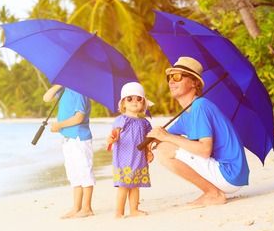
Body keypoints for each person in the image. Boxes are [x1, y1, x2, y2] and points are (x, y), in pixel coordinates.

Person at [147, 57, 250, 207]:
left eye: (177, 77)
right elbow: (162, 137)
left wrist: (166, 137)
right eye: (170, 77)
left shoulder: (200, 106)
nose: (171, 81)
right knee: (163, 145)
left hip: (229, 173)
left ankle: (213, 194)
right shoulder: (188, 113)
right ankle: (212, 192)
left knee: (164, 151)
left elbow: (204, 150)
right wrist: (149, 145)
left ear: (194, 82)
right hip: (229, 174)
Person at [43, 84, 95, 219]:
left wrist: (59, 125)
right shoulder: (65, 89)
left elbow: (79, 117)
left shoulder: (81, 91)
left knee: (84, 172)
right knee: (74, 174)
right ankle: (76, 208)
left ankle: (87, 207)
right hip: (68, 139)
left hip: (79, 139)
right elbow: (47, 98)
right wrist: (59, 84)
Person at [106, 82, 154, 218]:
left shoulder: (145, 122)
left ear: (143, 103)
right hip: (123, 158)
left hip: (139, 158)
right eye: (130, 99)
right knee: (124, 185)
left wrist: (149, 151)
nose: (134, 101)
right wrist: (111, 139)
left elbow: (148, 140)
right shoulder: (121, 119)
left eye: (139, 99)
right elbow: (114, 135)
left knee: (135, 185)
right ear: (123, 103)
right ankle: (119, 212)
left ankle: (134, 210)